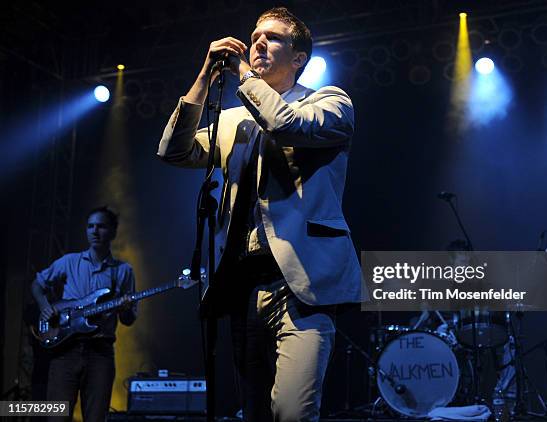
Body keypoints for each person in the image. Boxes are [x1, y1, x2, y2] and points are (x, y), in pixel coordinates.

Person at [157, 7, 361, 421]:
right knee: (251, 412)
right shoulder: (234, 120)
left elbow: (284, 125)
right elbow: (173, 151)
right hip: (243, 283)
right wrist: (204, 78)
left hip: (303, 281)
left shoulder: (331, 102)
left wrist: (245, 76)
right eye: (254, 37)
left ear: (299, 57)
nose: (258, 43)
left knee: (292, 411)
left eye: (272, 37)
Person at [31, 206, 137, 422]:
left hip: (100, 353)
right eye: (90, 226)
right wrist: (44, 306)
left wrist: (125, 310)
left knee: (96, 418)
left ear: (113, 232)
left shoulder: (123, 271)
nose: (94, 231)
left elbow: (129, 319)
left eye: (101, 226)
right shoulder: (70, 261)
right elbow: (37, 284)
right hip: (65, 353)